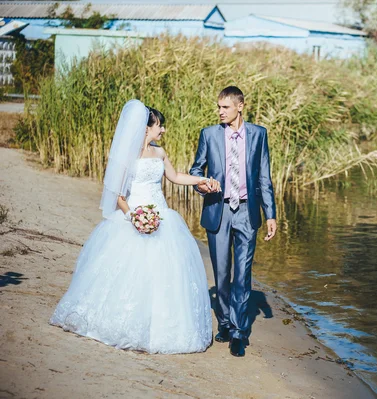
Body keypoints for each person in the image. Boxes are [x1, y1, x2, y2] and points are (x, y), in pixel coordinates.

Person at [50, 99, 217, 354]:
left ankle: (161, 329)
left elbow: (175, 177)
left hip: (162, 217)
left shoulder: (159, 153)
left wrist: (203, 179)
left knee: (165, 275)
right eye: (159, 126)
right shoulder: (126, 157)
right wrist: (133, 217)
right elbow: (117, 194)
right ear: (146, 127)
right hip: (133, 218)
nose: (162, 131)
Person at [190, 86, 277, 357]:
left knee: (243, 272)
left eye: (225, 107)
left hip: (247, 212)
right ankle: (225, 322)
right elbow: (196, 169)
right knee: (222, 273)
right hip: (219, 209)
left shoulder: (259, 134)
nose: (220, 112)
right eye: (218, 107)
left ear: (240, 106)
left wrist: (271, 213)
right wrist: (202, 186)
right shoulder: (209, 134)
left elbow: (264, 177)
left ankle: (239, 331)